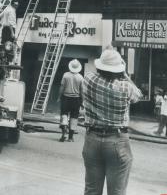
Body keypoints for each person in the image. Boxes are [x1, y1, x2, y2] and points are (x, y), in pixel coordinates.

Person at [82, 47, 142, 195]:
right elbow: (138, 95)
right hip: (117, 140)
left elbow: (96, 73)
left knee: (91, 190)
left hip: (92, 139)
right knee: (117, 191)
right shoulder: (125, 87)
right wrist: (124, 74)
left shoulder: (88, 80)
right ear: (119, 70)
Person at [58, 59, 83, 142]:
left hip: (66, 98)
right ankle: (71, 137)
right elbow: (82, 91)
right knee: (74, 117)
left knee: (64, 114)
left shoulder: (65, 75)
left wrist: (59, 97)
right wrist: (82, 101)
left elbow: (62, 87)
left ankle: (64, 129)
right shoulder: (80, 77)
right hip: (76, 99)